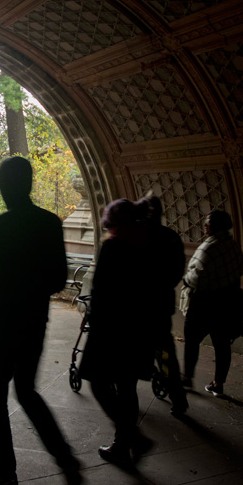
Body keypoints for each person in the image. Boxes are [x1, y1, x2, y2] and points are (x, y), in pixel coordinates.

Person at [0, 156, 81, 485]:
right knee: (27, 391)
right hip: (35, 320)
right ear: (30, 183)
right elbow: (58, 278)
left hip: (3, 324)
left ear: (5, 186)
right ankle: (64, 457)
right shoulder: (50, 223)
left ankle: (4, 474)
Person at [78, 199, 158, 469]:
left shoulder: (113, 247)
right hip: (139, 330)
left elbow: (102, 293)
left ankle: (132, 439)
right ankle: (123, 445)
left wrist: (91, 321)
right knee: (127, 388)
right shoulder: (147, 245)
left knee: (98, 384)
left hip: (111, 332)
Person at [181, 210, 243, 397]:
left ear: (216, 225)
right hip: (227, 303)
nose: (205, 226)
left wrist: (186, 280)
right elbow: (242, 267)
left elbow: (196, 277)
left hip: (204, 303)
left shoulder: (208, 248)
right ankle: (218, 383)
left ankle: (187, 377)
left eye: (208, 223)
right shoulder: (232, 245)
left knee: (192, 339)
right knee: (223, 345)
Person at [134, 196, 188, 415]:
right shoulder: (171, 237)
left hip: (136, 307)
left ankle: (126, 401)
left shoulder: (134, 237)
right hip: (160, 305)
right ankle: (177, 397)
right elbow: (177, 271)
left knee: (129, 355)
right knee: (166, 354)